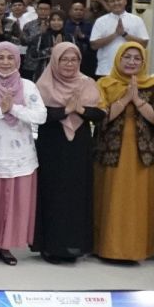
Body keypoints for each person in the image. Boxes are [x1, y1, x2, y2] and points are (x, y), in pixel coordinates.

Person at [0, 42, 47, 266]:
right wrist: (0, 111)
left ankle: (6, 247)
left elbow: (40, 116)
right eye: (0, 57)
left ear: (18, 60)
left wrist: (13, 108)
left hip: (20, 157)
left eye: (10, 57)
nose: (5, 62)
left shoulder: (28, 86)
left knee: (14, 204)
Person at [94, 42, 154, 262]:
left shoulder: (153, 85)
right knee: (111, 199)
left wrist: (137, 100)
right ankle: (107, 248)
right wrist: (125, 98)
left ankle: (137, 250)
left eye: (137, 58)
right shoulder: (105, 84)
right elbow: (101, 118)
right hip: (111, 152)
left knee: (138, 202)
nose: (132, 62)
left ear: (143, 62)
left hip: (142, 155)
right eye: (127, 57)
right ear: (118, 59)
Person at [33, 42, 104, 263]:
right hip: (51, 146)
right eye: (64, 59)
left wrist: (80, 109)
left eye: (74, 59)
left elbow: (100, 114)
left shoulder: (87, 83)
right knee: (52, 193)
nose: (69, 64)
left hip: (79, 148)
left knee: (76, 194)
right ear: (55, 60)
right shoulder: (44, 84)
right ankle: (50, 246)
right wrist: (66, 110)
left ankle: (75, 245)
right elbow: (39, 116)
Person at [90, 0, 150, 78]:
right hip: (106, 70)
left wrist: (124, 34)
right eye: (112, 1)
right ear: (108, 3)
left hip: (131, 70)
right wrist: (115, 34)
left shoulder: (136, 20)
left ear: (125, 1)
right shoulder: (101, 21)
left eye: (118, 0)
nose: (116, 3)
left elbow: (144, 44)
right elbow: (94, 45)